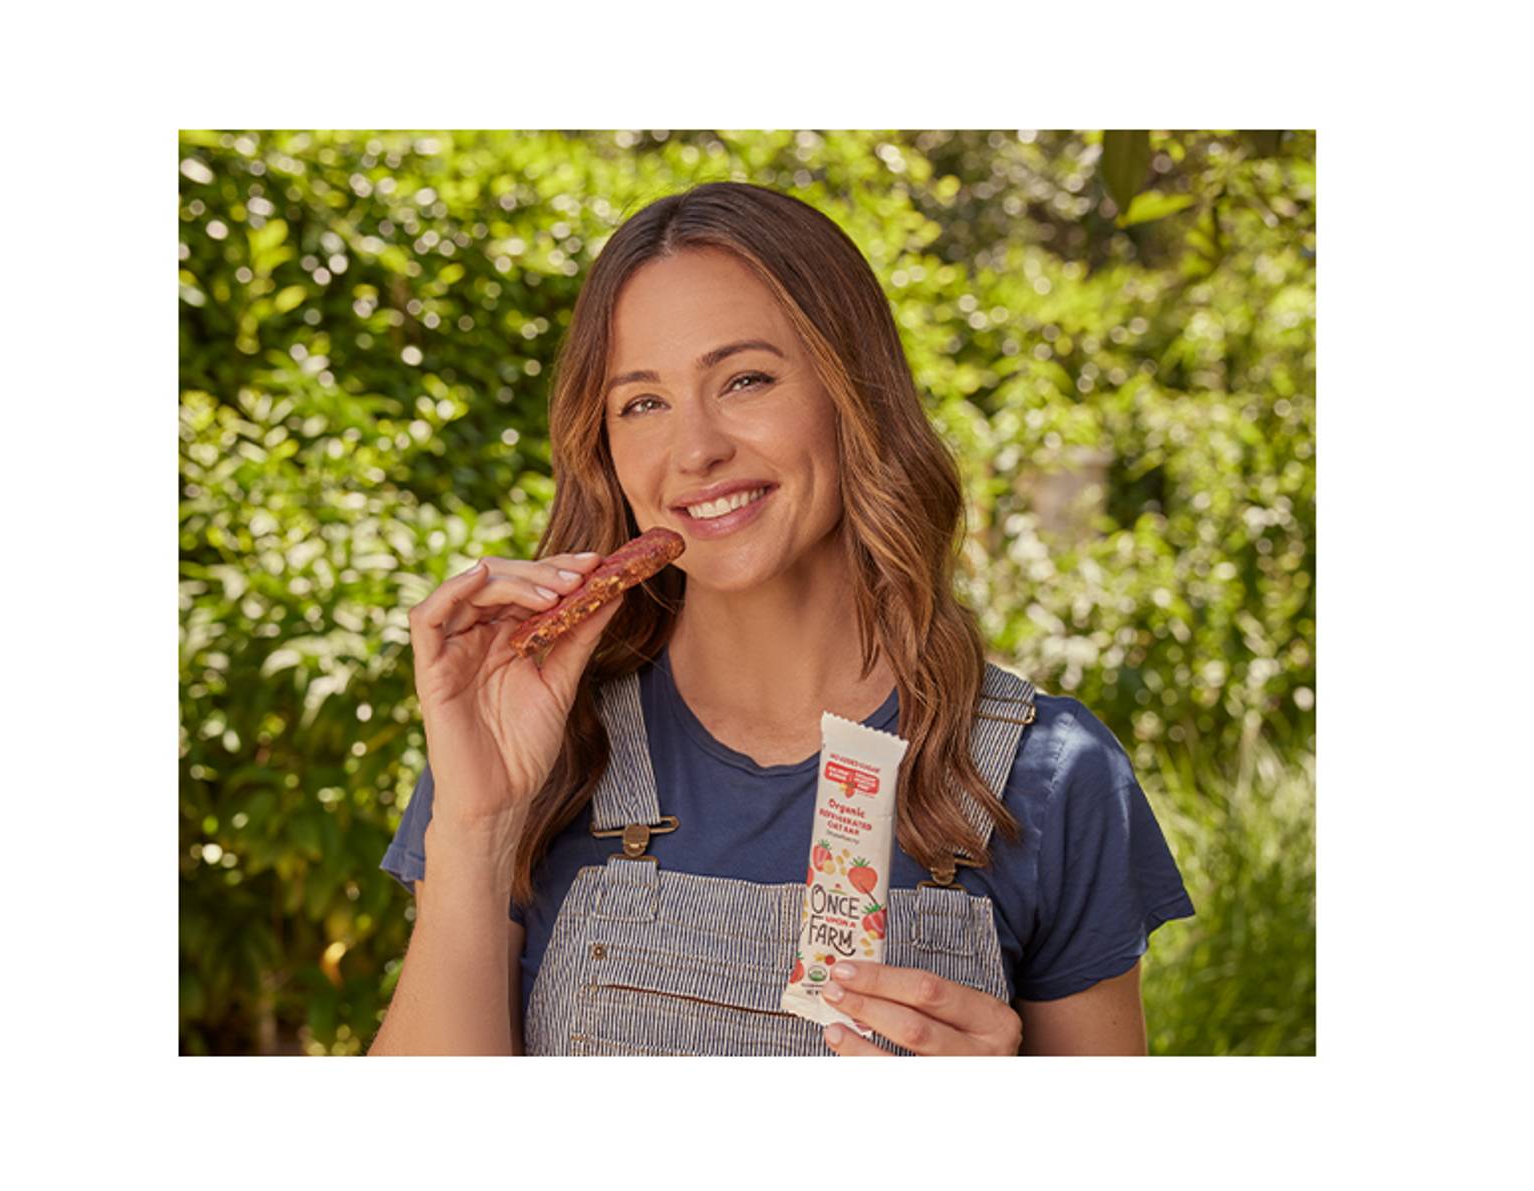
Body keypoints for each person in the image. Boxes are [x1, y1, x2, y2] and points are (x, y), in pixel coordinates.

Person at [369, 181, 1194, 1056]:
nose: (695, 450)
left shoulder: (1049, 777)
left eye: (747, 379)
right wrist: (475, 826)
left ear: (854, 393)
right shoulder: (536, 752)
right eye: (643, 401)